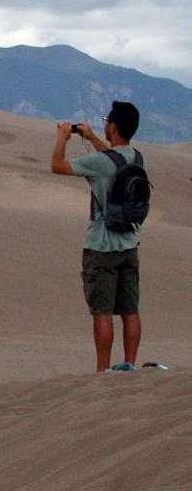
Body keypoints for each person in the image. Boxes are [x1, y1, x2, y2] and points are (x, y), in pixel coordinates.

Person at [51, 101, 144, 373]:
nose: (104, 123)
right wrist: (91, 137)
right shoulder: (138, 159)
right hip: (129, 244)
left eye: (106, 120)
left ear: (113, 126)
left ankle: (102, 372)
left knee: (102, 312)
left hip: (101, 248)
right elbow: (115, 161)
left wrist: (61, 139)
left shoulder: (99, 163)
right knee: (130, 310)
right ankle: (130, 366)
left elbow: (58, 166)